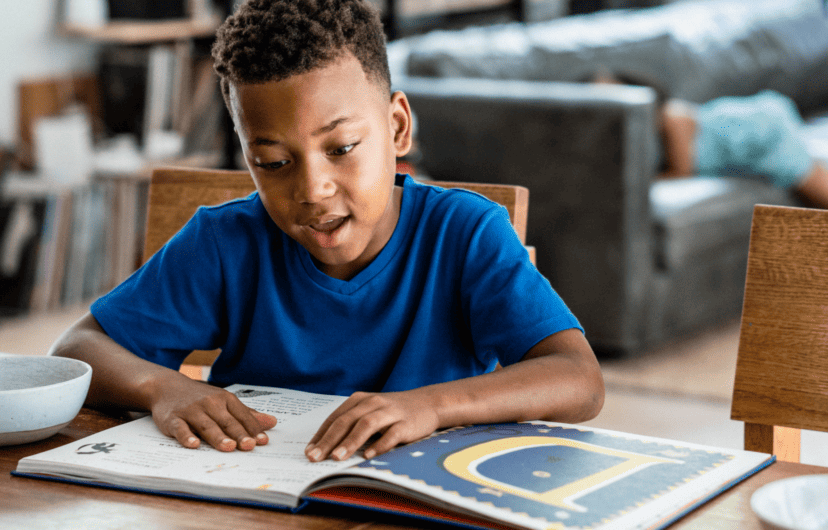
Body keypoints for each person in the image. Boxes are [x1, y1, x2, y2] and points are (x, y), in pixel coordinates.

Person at [50, 0, 604, 463]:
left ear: (397, 127)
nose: (312, 190)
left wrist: (431, 406)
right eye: (271, 162)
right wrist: (163, 389)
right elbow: (77, 348)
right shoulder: (227, 241)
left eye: (340, 149)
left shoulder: (464, 233)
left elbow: (578, 379)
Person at [589, 71, 828, 208]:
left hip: (754, 130)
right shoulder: (642, 138)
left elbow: (682, 169)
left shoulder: (672, 116)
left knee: (811, 187)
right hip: (751, 136)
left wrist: (647, 181)